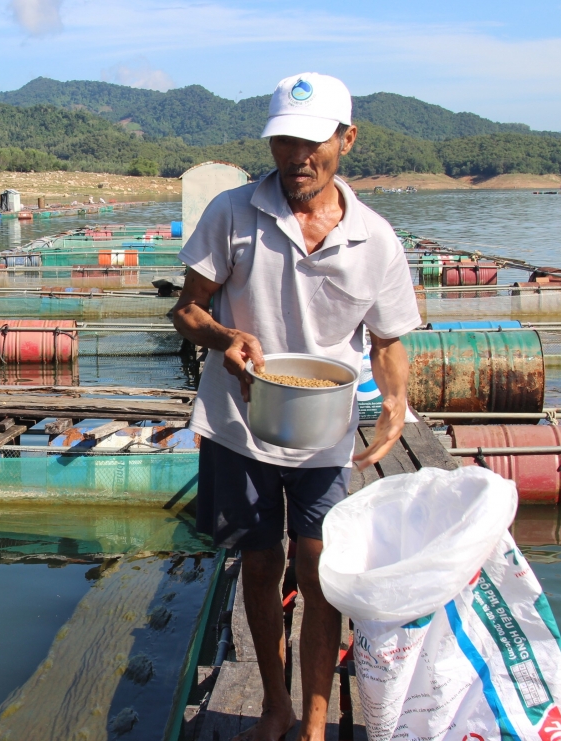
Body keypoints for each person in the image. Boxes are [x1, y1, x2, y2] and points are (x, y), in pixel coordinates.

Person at [172, 72, 420, 741]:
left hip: (323, 426)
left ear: (347, 139)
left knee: (319, 566)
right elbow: (187, 308)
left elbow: (388, 339)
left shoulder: (377, 239)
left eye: (313, 141)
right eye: (285, 140)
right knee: (259, 561)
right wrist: (224, 336)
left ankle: (314, 718)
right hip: (240, 423)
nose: (297, 156)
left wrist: (394, 397)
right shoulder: (231, 212)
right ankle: (274, 706)